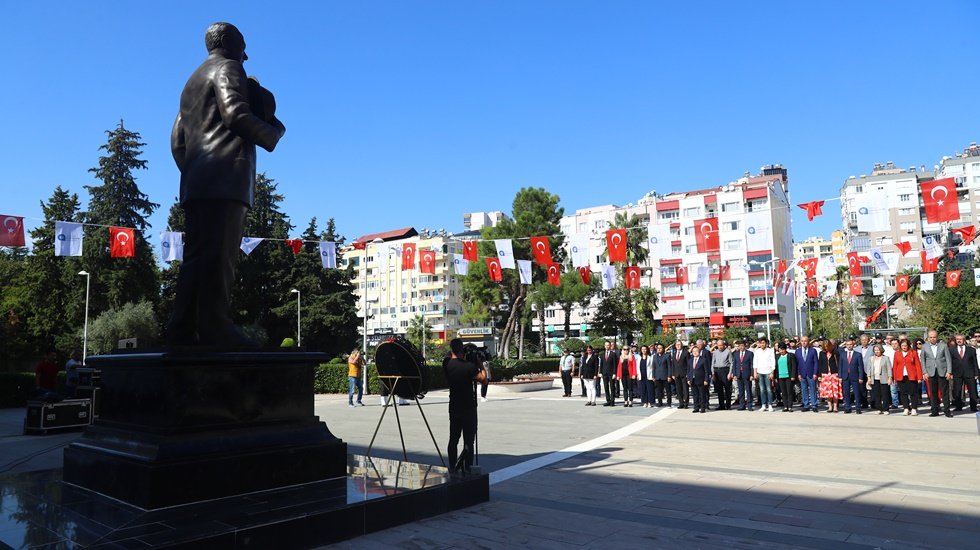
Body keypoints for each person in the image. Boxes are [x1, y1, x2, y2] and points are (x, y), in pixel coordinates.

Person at [167, 22, 286, 346]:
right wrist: (273, 134)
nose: (246, 55)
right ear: (231, 45)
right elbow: (235, 113)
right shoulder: (228, 68)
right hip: (225, 179)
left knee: (196, 258)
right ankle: (216, 326)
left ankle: (181, 329)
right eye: (243, 47)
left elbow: (177, 140)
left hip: (197, 182)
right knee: (220, 258)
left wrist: (194, 170)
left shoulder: (191, 81)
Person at [444, 339, 487, 473]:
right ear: (462, 350)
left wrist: (461, 351)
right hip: (469, 407)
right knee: (469, 441)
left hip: (454, 406)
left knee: (453, 439)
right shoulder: (469, 367)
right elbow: (484, 379)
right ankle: (467, 467)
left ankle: (452, 466)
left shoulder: (446, 364)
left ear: (452, 350)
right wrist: (480, 364)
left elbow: (448, 356)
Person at [920, 330, 953, 417]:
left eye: (934, 337)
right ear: (928, 338)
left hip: (942, 371)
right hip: (931, 372)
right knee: (933, 392)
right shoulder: (924, 347)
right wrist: (924, 372)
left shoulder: (943, 346)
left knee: (945, 392)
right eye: (931, 337)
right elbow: (922, 360)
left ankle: (947, 410)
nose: (933, 339)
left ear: (937, 337)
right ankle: (934, 410)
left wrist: (949, 371)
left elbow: (948, 359)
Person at [949, 334, 979, 412]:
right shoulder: (952, 350)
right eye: (957, 339)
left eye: (960, 339)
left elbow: (975, 362)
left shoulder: (971, 350)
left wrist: (976, 373)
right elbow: (950, 362)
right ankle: (958, 406)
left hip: (969, 373)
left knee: (972, 391)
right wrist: (950, 373)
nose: (959, 341)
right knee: (957, 391)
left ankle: (973, 406)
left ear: (964, 340)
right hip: (957, 373)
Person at [892, 339, 922, 415]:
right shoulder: (897, 353)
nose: (904, 347)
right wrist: (894, 378)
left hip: (911, 376)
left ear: (908, 345)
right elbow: (895, 366)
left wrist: (919, 377)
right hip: (901, 376)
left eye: (905, 345)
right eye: (902, 345)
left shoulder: (913, 353)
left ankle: (914, 408)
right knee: (903, 393)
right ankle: (906, 408)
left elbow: (918, 365)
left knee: (913, 393)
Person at [839, 338, 865, 414]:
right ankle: (847, 407)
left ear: (853, 345)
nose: (849, 346)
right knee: (846, 393)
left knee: (857, 393)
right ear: (845, 345)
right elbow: (840, 366)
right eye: (847, 344)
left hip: (855, 376)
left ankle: (858, 407)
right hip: (845, 376)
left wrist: (861, 377)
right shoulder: (842, 354)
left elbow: (860, 367)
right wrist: (840, 376)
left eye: (850, 344)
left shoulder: (858, 354)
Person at [795, 335, 819, 412]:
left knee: (813, 389)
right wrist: (798, 374)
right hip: (802, 373)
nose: (804, 342)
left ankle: (814, 405)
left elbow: (816, 363)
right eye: (802, 341)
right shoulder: (797, 351)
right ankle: (806, 405)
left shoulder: (813, 350)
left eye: (805, 341)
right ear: (800, 342)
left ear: (808, 342)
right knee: (804, 389)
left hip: (811, 373)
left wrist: (815, 373)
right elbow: (797, 364)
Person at [866, 345, 892, 415]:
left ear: (881, 350)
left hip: (884, 378)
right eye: (875, 350)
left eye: (878, 350)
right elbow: (868, 369)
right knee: (877, 395)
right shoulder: (871, 358)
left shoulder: (886, 358)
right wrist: (869, 377)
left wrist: (890, 378)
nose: (877, 351)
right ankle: (879, 408)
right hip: (874, 378)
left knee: (885, 394)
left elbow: (889, 369)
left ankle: (886, 409)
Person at [817, 340, 842, 412]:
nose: (826, 348)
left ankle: (835, 407)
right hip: (825, 374)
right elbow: (820, 364)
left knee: (835, 391)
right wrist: (819, 375)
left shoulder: (835, 353)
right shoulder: (821, 353)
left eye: (828, 346)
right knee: (828, 392)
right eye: (825, 347)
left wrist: (840, 375)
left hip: (834, 374)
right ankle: (830, 407)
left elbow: (839, 364)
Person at [753, 338, 776, 412]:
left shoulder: (770, 351)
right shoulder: (757, 352)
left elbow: (773, 362)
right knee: (762, 390)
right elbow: (755, 363)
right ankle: (763, 405)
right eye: (761, 343)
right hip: (760, 372)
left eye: (763, 343)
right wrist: (755, 373)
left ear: (766, 343)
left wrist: (772, 372)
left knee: (769, 389)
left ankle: (770, 405)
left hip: (768, 372)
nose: (762, 344)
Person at [774, 343, 797, 412]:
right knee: (783, 392)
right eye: (780, 350)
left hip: (788, 376)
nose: (781, 351)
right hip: (780, 376)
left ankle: (790, 406)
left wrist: (793, 375)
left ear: (785, 349)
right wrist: (775, 377)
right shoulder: (777, 356)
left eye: (783, 349)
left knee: (789, 392)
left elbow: (794, 366)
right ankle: (785, 406)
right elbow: (775, 367)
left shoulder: (791, 355)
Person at [731, 340, 754, 411]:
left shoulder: (749, 353)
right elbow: (734, 364)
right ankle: (742, 405)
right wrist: (734, 374)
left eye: (742, 345)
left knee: (748, 390)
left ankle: (749, 405)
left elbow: (752, 365)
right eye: (739, 346)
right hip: (739, 374)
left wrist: (752, 374)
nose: (741, 347)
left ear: (745, 346)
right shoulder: (736, 354)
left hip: (747, 374)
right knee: (741, 391)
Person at [711, 340, 733, 410]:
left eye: (721, 345)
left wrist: (730, 373)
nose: (720, 347)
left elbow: (731, 363)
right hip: (717, 371)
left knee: (727, 388)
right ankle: (721, 405)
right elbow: (712, 363)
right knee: (719, 389)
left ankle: (728, 405)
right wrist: (713, 373)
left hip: (725, 370)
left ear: (724, 345)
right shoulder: (715, 352)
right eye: (719, 345)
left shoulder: (728, 352)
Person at [688, 345, 710, 413]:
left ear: (699, 352)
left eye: (696, 351)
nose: (695, 352)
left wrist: (706, 380)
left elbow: (706, 371)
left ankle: (702, 407)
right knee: (695, 395)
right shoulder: (690, 360)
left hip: (701, 379)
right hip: (693, 379)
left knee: (702, 394)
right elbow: (689, 371)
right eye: (693, 351)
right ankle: (696, 407)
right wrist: (688, 379)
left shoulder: (703, 360)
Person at [669, 341, 690, 409]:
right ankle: (681, 403)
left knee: (685, 389)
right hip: (676, 374)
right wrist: (673, 374)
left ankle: (686, 403)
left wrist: (688, 373)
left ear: (682, 345)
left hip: (684, 374)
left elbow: (689, 364)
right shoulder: (674, 353)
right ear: (675, 346)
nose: (678, 346)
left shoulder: (686, 353)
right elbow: (673, 365)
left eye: (679, 344)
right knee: (678, 389)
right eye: (677, 344)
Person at [599, 341, 619, 407]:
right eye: (606, 345)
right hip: (604, 373)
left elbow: (615, 364)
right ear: (604, 346)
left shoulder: (613, 354)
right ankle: (608, 400)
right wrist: (600, 372)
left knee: (612, 387)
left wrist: (614, 373)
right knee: (606, 387)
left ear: (610, 346)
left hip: (611, 373)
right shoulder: (602, 354)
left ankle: (612, 401)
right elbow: (601, 364)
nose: (607, 346)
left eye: (608, 345)